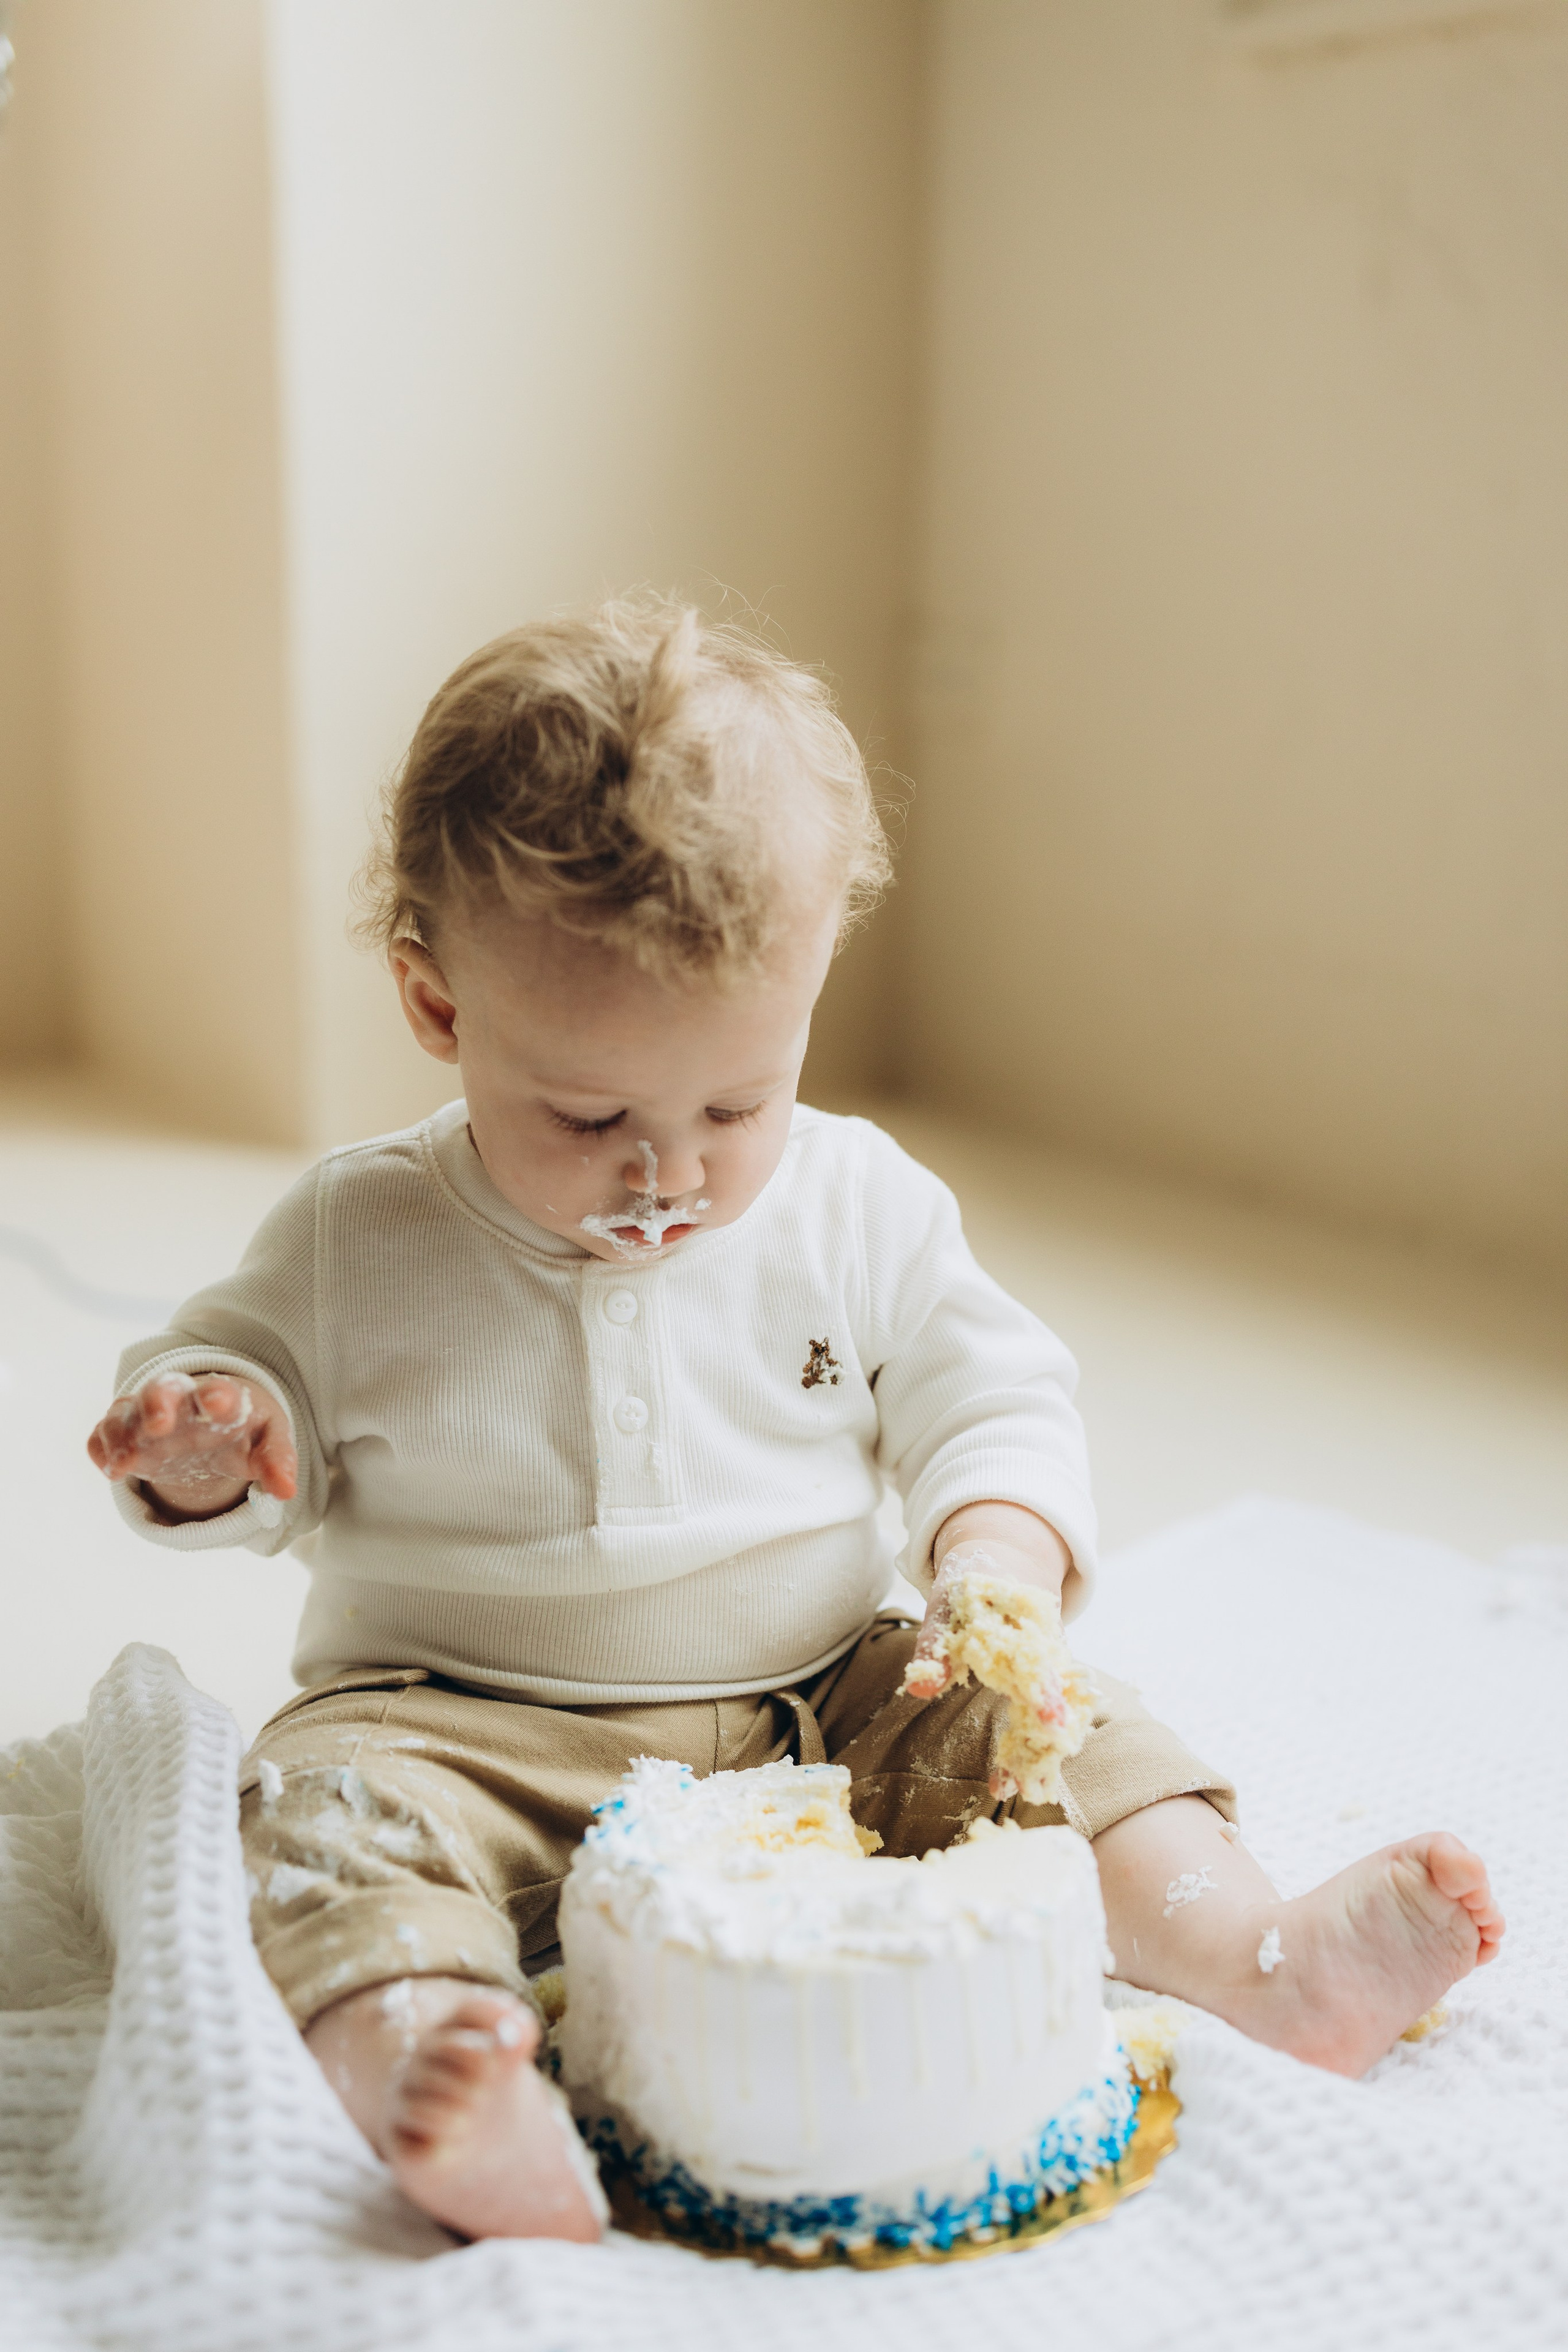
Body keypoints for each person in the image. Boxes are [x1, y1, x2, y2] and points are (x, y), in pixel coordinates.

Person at [88, 597, 1503, 2245]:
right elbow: (247, 1407)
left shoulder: (856, 1204)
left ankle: (1257, 1954)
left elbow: (995, 1397)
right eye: (592, 1112)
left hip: (824, 1691)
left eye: (735, 1102)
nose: (666, 1171)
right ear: (437, 1005)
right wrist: (211, 1453)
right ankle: (433, 2056)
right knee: (311, 1814)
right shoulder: (357, 1236)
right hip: (460, 1720)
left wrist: (997, 1562)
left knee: (1058, 1726)